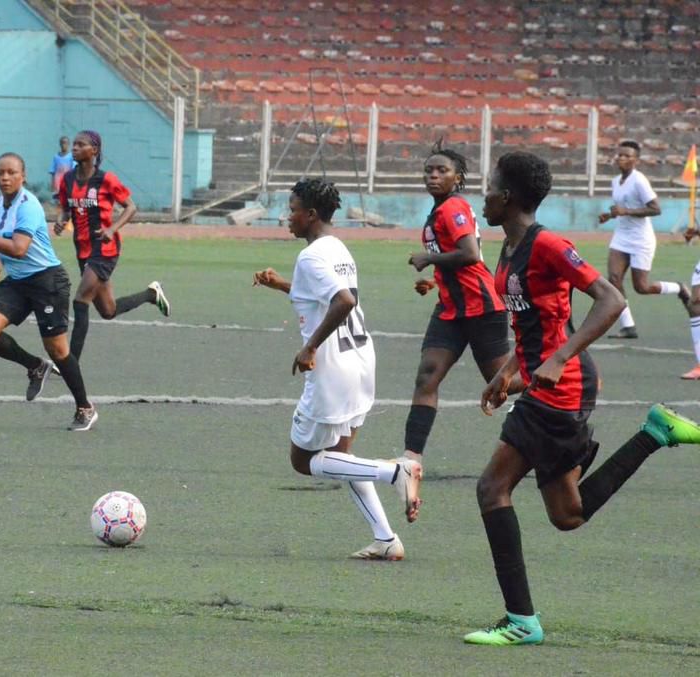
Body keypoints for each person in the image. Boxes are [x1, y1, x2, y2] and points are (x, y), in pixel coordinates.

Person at [464, 150, 700, 646]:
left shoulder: (547, 244)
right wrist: (508, 373)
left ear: (506, 198)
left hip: (563, 387)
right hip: (545, 384)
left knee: (491, 489)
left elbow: (613, 300)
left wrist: (558, 359)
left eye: (488, 185)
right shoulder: (508, 251)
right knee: (567, 515)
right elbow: (534, 326)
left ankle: (521, 621)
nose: (482, 193)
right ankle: (655, 433)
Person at [253, 178, 423, 561]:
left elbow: (343, 301)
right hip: (361, 361)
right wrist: (282, 284)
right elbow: (324, 295)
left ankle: (397, 471)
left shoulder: (311, 256)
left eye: (293, 208)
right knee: (341, 458)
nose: (287, 217)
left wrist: (309, 346)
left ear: (311, 214)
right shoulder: (336, 248)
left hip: (333, 370)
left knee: (304, 461)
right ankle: (385, 539)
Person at [0, 152, 98, 432]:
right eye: (0, 173)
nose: (5, 177)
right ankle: (36, 367)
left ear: (23, 176)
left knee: (59, 349)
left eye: (11, 172)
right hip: (17, 281)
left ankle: (85, 408)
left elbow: (19, 248)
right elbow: (3, 242)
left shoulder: (29, 206)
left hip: (47, 281)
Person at [405, 141, 510, 466]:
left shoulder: (452, 207)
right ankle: (410, 460)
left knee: (504, 382)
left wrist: (428, 258)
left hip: (481, 306)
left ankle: (563, 391)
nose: (433, 176)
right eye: (429, 170)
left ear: (457, 177)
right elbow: (461, 261)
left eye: (442, 171)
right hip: (451, 309)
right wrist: (437, 280)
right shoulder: (442, 209)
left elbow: (470, 255)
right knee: (427, 376)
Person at [53, 130, 170, 361]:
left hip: (105, 250)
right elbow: (67, 208)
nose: (74, 148)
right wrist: (61, 221)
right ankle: (150, 294)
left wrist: (111, 229)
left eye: (80, 144)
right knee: (108, 311)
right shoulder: (67, 179)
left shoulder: (106, 179)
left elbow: (131, 207)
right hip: (83, 249)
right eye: (74, 144)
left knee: (80, 300)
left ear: (93, 151)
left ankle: (70, 362)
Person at [599, 140, 687, 339]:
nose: (622, 158)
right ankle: (628, 326)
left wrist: (626, 211)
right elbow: (622, 207)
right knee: (613, 280)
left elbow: (656, 209)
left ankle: (679, 288)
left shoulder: (639, 180)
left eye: (627, 156)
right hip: (622, 236)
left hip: (641, 239)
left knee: (642, 287)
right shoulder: (615, 181)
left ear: (636, 161)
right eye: (620, 155)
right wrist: (610, 215)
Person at [48, 136, 73, 203]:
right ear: (60, 144)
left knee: (67, 196)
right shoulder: (56, 157)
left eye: (65, 143)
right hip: (57, 180)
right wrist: (52, 183)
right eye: (62, 143)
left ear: (68, 144)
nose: (63, 145)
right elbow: (53, 171)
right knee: (57, 197)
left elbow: (74, 170)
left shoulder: (71, 156)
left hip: (67, 179)